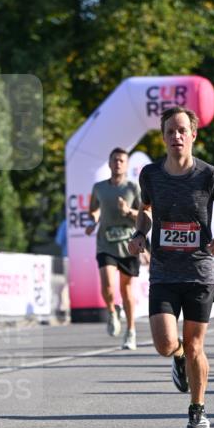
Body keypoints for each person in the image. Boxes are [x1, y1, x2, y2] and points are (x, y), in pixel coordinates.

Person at [128, 106, 214, 428]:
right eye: (170, 131)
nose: (176, 136)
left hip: (199, 272)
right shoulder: (151, 175)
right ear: (163, 137)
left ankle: (197, 409)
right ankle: (176, 357)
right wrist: (139, 233)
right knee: (166, 344)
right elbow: (145, 211)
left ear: (193, 135)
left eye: (182, 130)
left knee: (196, 345)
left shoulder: (209, 175)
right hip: (164, 271)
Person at [86, 147, 142, 349]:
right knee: (108, 285)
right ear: (109, 164)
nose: (118, 163)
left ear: (126, 165)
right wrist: (93, 220)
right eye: (114, 160)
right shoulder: (99, 188)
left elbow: (144, 216)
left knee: (126, 291)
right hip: (105, 244)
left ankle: (131, 331)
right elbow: (93, 209)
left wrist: (128, 211)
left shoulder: (133, 188)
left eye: (121, 160)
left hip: (128, 246)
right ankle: (111, 311)